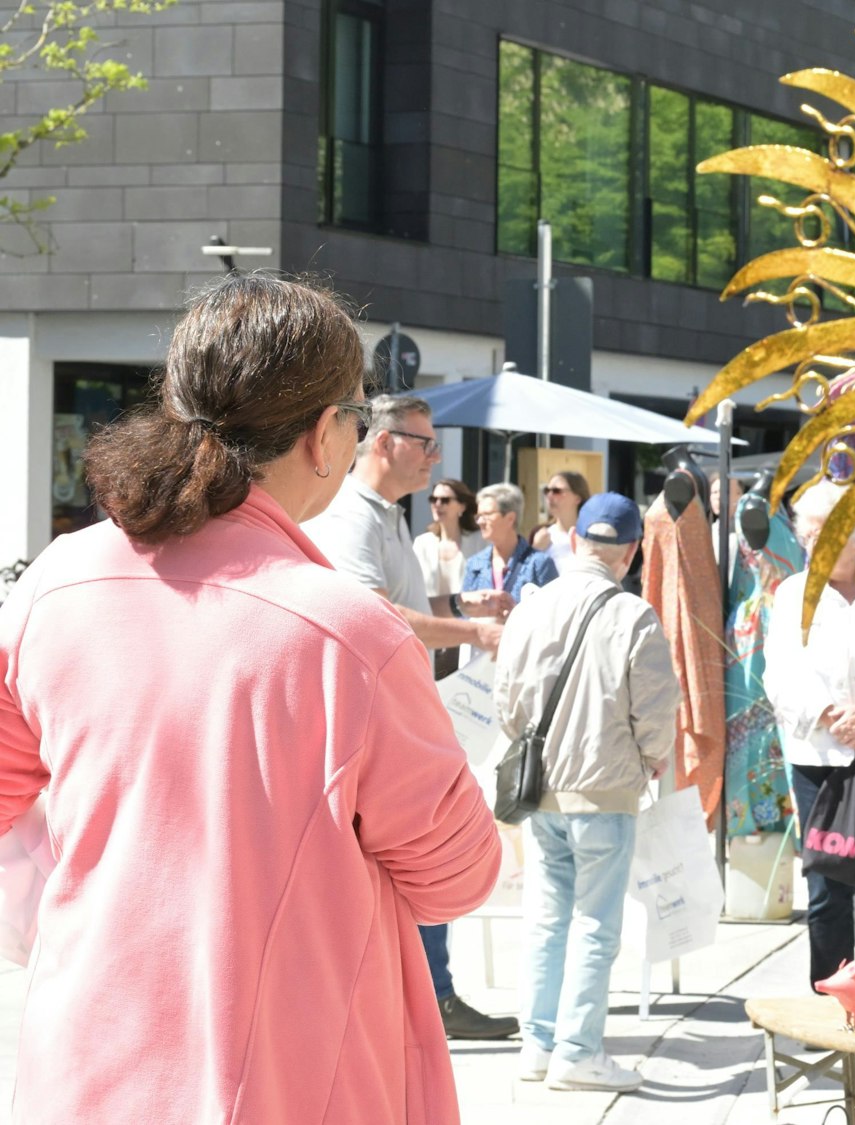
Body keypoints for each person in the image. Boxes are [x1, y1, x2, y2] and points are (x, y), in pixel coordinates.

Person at [0, 275, 502, 1122]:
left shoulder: (56, 581)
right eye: (357, 414)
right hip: (291, 1073)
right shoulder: (354, 635)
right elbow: (459, 875)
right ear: (321, 434)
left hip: (85, 1059)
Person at [303, 393, 518, 1041]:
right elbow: (375, 614)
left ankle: (428, 993)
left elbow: (397, 599)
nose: (436, 456)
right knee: (420, 856)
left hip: (395, 717)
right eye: (424, 443)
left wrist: (460, 604)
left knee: (418, 861)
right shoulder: (351, 515)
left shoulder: (384, 514)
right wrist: (471, 631)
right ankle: (423, 998)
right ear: (382, 442)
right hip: (375, 725)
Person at [492, 492, 679, 1093]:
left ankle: (537, 1045)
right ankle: (578, 1051)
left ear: (577, 543)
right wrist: (649, 759)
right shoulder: (634, 615)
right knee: (596, 923)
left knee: (547, 918)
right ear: (629, 553)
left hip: (540, 786)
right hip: (604, 786)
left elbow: (506, 703)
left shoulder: (532, 607)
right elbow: (656, 712)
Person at [763, 481, 855, 989]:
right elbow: (779, 674)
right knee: (826, 886)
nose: (812, 551)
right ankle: (832, 997)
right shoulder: (791, 595)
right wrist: (830, 714)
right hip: (819, 757)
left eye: (825, 540)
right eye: (808, 540)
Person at [416, 477, 481, 677]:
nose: (437, 505)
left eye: (445, 500)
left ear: (461, 506)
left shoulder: (479, 542)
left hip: (465, 631)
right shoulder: (422, 543)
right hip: (431, 630)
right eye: (433, 499)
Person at [464, 482, 561, 608]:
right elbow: (464, 613)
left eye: (487, 515)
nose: (481, 522)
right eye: (479, 516)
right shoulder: (475, 564)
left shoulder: (539, 564)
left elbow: (554, 613)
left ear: (510, 518)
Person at [533, 470, 592, 574]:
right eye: (547, 490)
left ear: (577, 498)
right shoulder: (540, 534)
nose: (549, 496)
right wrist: (535, 550)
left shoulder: (591, 535)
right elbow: (526, 575)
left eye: (557, 491)